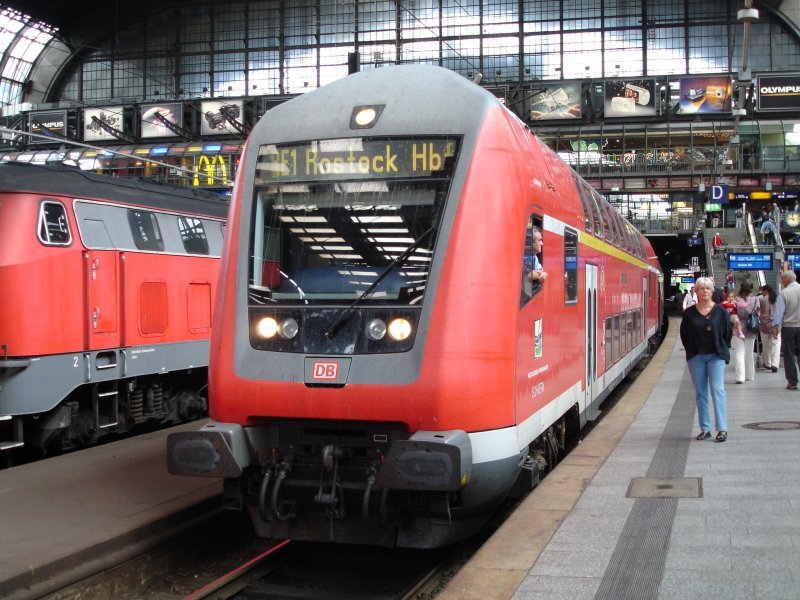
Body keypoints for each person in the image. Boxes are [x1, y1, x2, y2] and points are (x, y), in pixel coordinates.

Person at [679, 276, 732, 443]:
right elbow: (684, 335)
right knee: (701, 392)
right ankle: (705, 429)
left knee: (717, 390)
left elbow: (727, 333)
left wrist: (722, 347)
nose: (704, 291)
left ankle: (722, 429)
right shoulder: (689, 313)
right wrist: (691, 350)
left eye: (707, 288)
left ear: (712, 291)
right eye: (701, 288)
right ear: (696, 291)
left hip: (716, 355)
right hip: (696, 357)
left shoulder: (721, 312)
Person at [772, 270, 800, 390]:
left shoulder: (784, 293)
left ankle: (792, 382)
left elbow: (779, 313)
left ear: (788, 279)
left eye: (782, 279)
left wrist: (776, 327)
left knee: (789, 355)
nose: (781, 282)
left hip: (789, 327)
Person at [732, 280, 759, 384]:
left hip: (738, 328)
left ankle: (740, 377)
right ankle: (750, 375)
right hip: (751, 328)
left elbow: (732, 314)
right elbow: (757, 313)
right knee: (749, 353)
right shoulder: (755, 299)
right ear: (751, 288)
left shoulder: (736, 299)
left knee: (739, 353)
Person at [759, 284, 780, 373]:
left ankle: (767, 363)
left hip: (765, 325)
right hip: (776, 325)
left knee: (766, 344)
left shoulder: (762, 299)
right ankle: (775, 364)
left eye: (763, 291)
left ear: (766, 291)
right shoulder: (778, 299)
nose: (762, 293)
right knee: (776, 344)